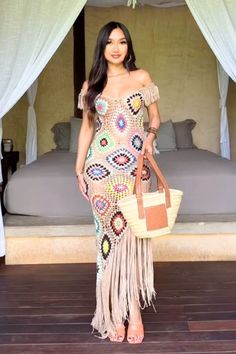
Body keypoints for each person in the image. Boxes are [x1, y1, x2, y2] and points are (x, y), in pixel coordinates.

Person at [76, 21, 160, 344]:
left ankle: (134, 311)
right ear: (102, 46)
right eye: (110, 42)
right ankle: (112, 311)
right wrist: (78, 169)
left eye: (122, 41)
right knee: (107, 242)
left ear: (128, 46)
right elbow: (87, 130)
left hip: (136, 169)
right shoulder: (92, 84)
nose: (116, 47)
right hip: (100, 170)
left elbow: (155, 117)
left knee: (134, 239)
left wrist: (150, 137)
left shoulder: (141, 78)